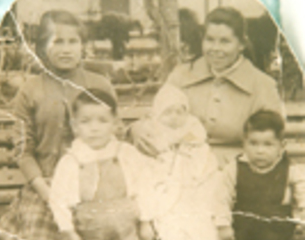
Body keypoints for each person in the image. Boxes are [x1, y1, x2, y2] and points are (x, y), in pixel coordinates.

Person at [0, 10, 115, 240]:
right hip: (45, 186)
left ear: (83, 46)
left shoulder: (99, 85)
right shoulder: (30, 90)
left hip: (93, 186)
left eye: (73, 41)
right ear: (42, 47)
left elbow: (114, 135)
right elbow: (23, 150)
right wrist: (47, 191)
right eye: (57, 42)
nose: (66, 49)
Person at [130, 7, 283, 167]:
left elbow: (271, 141)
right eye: (210, 40)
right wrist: (137, 129)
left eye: (225, 41)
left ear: (241, 44)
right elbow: (155, 115)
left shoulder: (262, 86)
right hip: (181, 168)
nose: (216, 48)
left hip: (236, 171)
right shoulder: (181, 75)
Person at [50, 88, 153, 240]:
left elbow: (146, 187)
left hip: (127, 230)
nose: (94, 128)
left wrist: (145, 221)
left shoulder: (126, 153)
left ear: (115, 123)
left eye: (102, 121)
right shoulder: (71, 160)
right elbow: (58, 200)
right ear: (74, 126)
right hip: (88, 233)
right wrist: (69, 232)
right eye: (85, 122)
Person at [137, 84, 220, 240]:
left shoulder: (196, 141)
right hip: (164, 204)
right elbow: (144, 184)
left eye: (179, 112)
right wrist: (146, 219)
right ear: (157, 115)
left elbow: (210, 173)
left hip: (194, 200)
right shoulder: (152, 144)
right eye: (167, 112)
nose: (174, 117)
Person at [216, 110, 305, 240]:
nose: (260, 151)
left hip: (279, 233)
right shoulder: (234, 168)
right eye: (253, 143)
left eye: (268, 144)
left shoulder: (290, 169)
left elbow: (303, 197)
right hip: (243, 232)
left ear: (282, 146)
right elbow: (221, 198)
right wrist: (223, 225)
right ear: (244, 143)